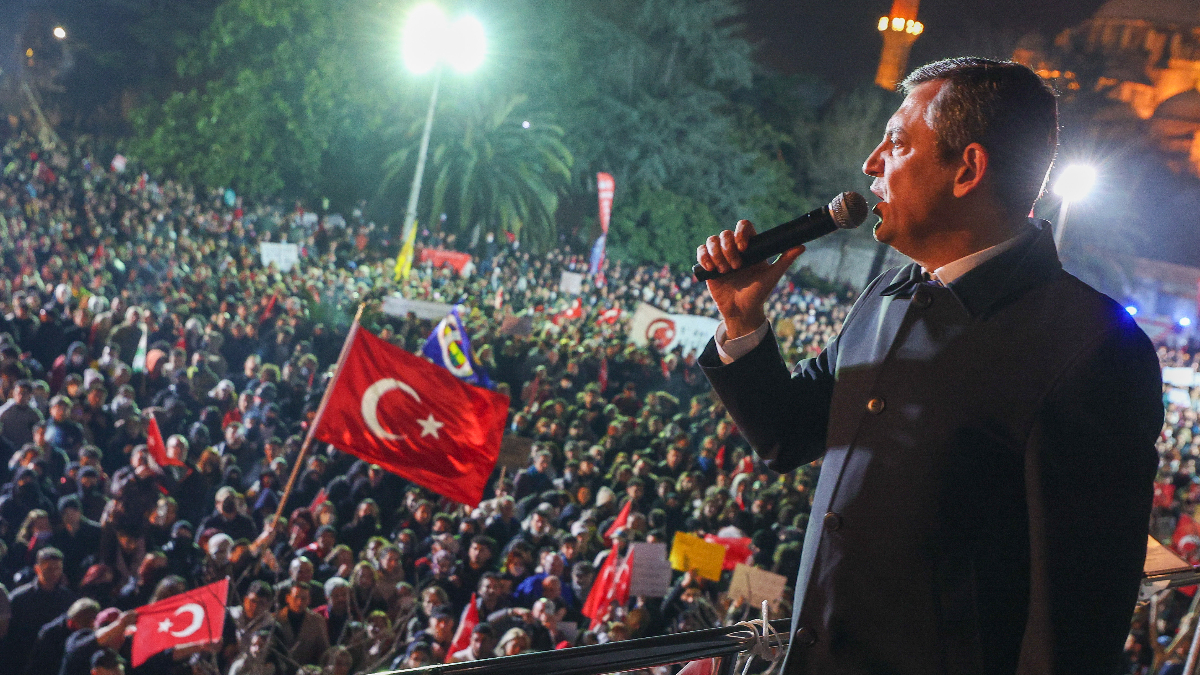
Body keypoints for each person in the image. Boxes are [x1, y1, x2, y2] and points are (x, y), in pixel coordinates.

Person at [695, 57, 1164, 673]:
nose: (870, 165)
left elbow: (1074, 620)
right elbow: (789, 433)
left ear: (968, 169)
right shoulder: (887, 295)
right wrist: (742, 321)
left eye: (896, 143)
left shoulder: (1091, 346)